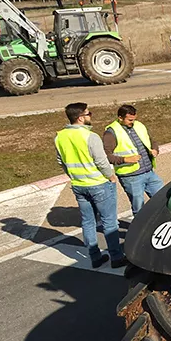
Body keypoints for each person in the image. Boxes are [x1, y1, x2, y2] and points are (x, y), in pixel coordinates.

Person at [56, 102, 123, 267]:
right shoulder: (90, 136)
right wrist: (111, 176)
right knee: (109, 221)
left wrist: (73, 176)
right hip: (99, 184)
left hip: (78, 185)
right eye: (88, 114)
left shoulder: (60, 137)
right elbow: (101, 161)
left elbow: (61, 161)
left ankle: (95, 257)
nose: (90, 116)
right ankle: (116, 257)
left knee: (88, 221)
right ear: (80, 118)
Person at [103, 104, 163, 214]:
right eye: (130, 120)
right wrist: (125, 159)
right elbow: (106, 156)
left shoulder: (139, 125)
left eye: (134, 119)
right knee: (139, 208)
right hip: (131, 177)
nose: (133, 122)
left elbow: (151, 140)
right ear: (120, 118)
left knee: (163, 200)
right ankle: (140, 225)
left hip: (149, 172)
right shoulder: (111, 133)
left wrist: (155, 149)